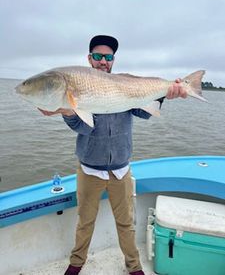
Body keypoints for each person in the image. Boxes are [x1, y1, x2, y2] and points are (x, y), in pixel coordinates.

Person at [39, 35, 187, 275]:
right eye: (98, 57)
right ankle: (76, 264)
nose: (103, 62)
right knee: (85, 222)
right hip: (89, 169)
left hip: (121, 169)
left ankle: (134, 266)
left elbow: (145, 113)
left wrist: (163, 94)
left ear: (113, 60)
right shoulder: (80, 87)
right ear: (89, 59)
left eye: (108, 57)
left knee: (126, 224)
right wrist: (67, 112)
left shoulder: (125, 85)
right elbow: (83, 127)